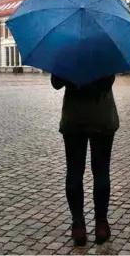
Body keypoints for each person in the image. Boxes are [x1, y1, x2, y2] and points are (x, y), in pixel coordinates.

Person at [51, 73, 119, 247]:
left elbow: (56, 82)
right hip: (102, 115)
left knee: (74, 171)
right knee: (101, 171)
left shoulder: (65, 50)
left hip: (74, 118)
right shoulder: (104, 48)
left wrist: (76, 82)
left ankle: (78, 225)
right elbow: (107, 82)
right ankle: (101, 224)